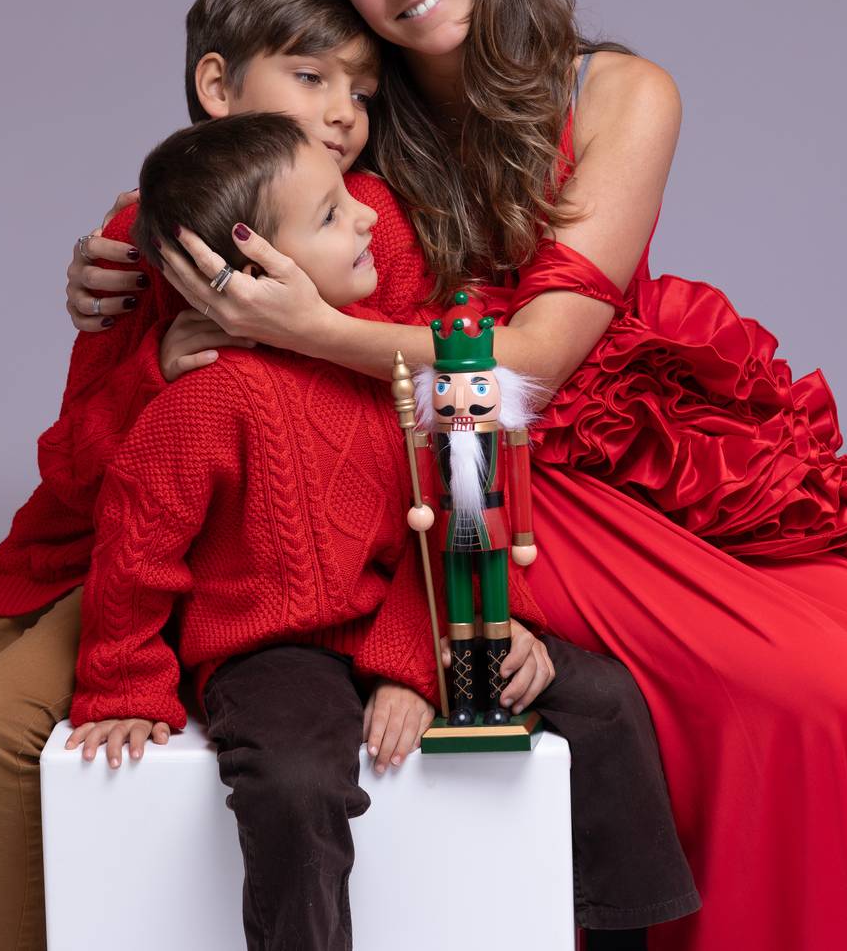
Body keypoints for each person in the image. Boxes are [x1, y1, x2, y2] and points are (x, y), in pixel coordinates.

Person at [129, 0, 847, 951]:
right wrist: (119, 267)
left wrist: (313, 329)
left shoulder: (621, 91)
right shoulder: (353, 117)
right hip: (457, 472)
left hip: (614, 437)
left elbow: (533, 362)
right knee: (802, 694)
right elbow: (220, 185)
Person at [0, 0, 698, 951]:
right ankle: (91, 897)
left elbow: (440, 445)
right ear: (216, 86)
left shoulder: (371, 228)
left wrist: (316, 336)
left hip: (303, 567)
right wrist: (158, 367)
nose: (342, 114)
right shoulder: (153, 235)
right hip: (120, 547)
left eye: (361, 92)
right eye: (313, 79)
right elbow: (97, 471)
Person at [68, 111, 698, 949]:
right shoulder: (205, 400)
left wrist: (417, 664)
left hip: (411, 611)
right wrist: (123, 685)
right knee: (293, 782)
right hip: (276, 647)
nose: (368, 215)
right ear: (257, 269)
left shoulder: (394, 368)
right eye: (333, 214)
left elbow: (454, 518)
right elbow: (135, 548)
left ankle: (622, 937)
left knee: (608, 702)